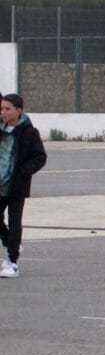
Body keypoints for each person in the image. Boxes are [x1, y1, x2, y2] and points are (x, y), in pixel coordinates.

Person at [0, 94, 47, 278]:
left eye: (7, 109)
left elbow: (40, 157)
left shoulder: (29, 132)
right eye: (1, 109)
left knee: (14, 221)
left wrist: (23, 172)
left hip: (16, 185)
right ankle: (10, 240)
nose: (3, 112)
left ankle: (12, 262)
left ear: (18, 110)